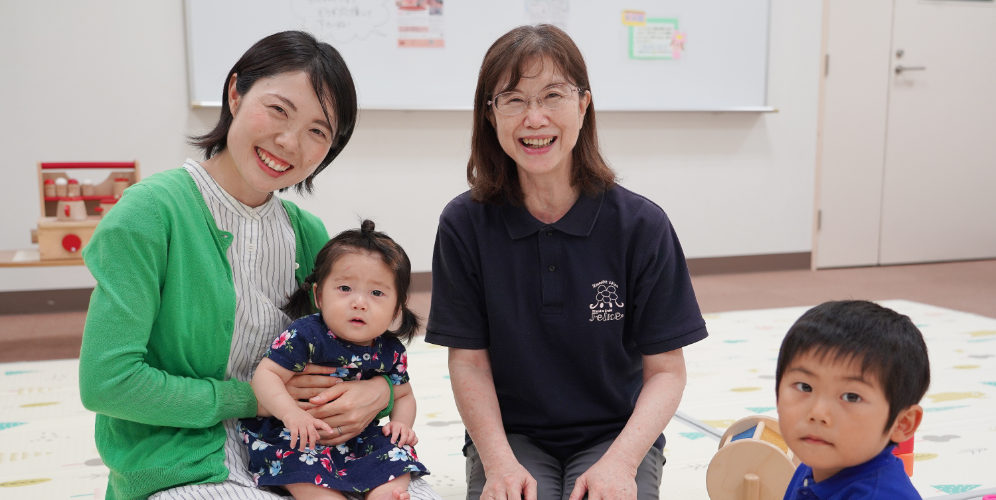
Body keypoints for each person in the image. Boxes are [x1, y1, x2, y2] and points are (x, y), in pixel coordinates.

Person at [79, 31, 422, 500]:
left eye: (317, 131)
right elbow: (108, 383)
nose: (288, 141)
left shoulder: (309, 234)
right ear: (236, 92)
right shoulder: (149, 215)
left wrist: (382, 392)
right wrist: (249, 399)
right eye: (278, 110)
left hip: (312, 455)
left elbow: (348, 348)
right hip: (183, 463)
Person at [425, 25, 708, 500]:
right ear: (490, 116)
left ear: (583, 105)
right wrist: (497, 463)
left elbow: (666, 371)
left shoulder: (641, 224)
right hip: (511, 438)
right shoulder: (464, 223)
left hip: (614, 434)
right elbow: (469, 363)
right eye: (513, 100)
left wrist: (620, 463)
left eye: (552, 95)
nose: (534, 118)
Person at [241, 221, 428, 500]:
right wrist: (290, 414)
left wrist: (402, 424)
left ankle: (385, 494)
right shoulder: (306, 334)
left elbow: (403, 395)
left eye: (376, 293)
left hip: (359, 436)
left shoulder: (390, 350)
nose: (359, 303)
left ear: (396, 309)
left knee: (398, 451)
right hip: (301, 434)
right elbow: (265, 376)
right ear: (318, 295)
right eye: (344, 288)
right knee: (296, 461)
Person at [776, 300, 929, 499]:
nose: (818, 413)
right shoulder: (812, 466)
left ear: (902, 423)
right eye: (805, 387)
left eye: (851, 397)